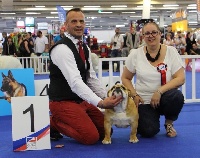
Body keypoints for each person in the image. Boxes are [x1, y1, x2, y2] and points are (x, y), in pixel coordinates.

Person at [48, 8, 122, 145]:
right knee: (90, 137)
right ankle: (52, 122)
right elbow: (75, 82)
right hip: (61, 102)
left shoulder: (84, 48)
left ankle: (72, 118)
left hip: (80, 101)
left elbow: (91, 78)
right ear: (66, 25)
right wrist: (100, 103)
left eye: (81, 21)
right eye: (74, 21)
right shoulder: (61, 49)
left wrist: (105, 98)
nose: (78, 25)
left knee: (106, 132)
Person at [121, 22, 185, 138]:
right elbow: (125, 78)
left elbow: (180, 78)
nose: (151, 36)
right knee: (148, 131)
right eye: (147, 33)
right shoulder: (135, 54)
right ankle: (141, 119)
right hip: (144, 100)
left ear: (160, 34)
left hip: (165, 96)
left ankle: (169, 123)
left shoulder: (171, 51)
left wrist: (159, 91)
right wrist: (134, 95)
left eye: (154, 32)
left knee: (176, 96)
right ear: (143, 36)